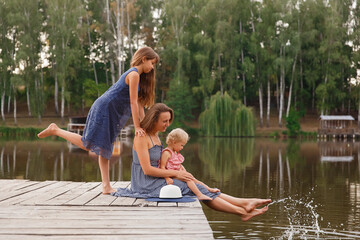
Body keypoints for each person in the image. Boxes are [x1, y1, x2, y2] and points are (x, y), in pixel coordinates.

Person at [112, 103, 271, 221]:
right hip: (145, 183)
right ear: (153, 120)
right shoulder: (141, 137)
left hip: (158, 178)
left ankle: (244, 204)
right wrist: (176, 174)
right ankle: (242, 211)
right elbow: (147, 170)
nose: (167, 124)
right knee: (190, 187)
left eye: (169, 120)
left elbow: (164, 162)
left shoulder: (155, 135)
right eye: (164, 121)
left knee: (197, 184)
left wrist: (182, 171)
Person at [37, 46, 160, 194]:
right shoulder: (134, 75)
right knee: (88, 144)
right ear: (143, 59)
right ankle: (55, 129)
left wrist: (145, 126)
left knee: (104, 148)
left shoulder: (138, 78)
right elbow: (133, 103)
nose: (152, 67)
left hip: (110, 110)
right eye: (152, 63)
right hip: (104, 109)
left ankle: (106, 186)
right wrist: (137, 127)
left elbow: (139, 105)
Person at [159, 128, 219, 201]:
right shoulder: (166, 153)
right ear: (174, 142)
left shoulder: (175, 152)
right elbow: (162, 167)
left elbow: (177, 164)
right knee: (189, 180)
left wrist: (184, 171)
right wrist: (167, 178)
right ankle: (199, 195)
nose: (182, 148)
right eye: (181, 145)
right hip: (171, 175)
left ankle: (209, 189)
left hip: (177, 173)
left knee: (193, 179)